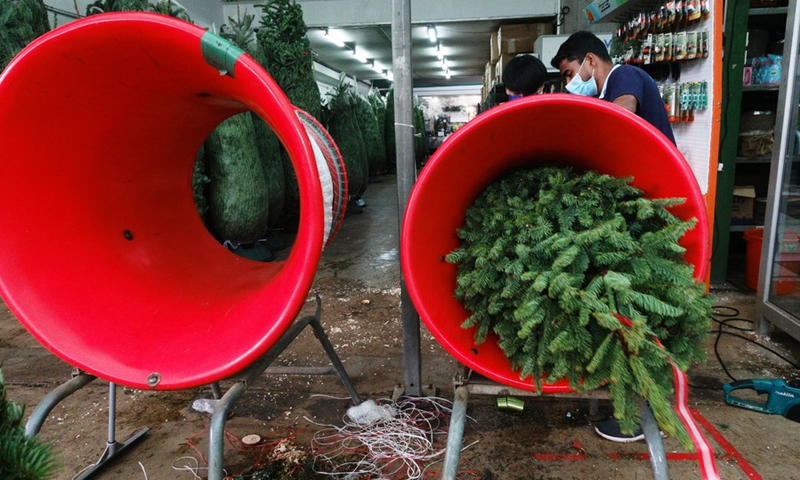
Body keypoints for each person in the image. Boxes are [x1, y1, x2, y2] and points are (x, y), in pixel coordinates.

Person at [551, 31, 672, 444]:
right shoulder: (607, 89)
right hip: (636, 200)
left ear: (589, 59)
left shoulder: (625, 78)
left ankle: (638, 414)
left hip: (652, 203)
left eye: (571, 73)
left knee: (638, 307)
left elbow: (621, 122)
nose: (572, 81)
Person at [551, 30, 676, 145]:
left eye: (569, 74)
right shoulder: (606, 92)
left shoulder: (624, 74)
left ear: (590, 60)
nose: (568, 83)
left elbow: (621, 113)